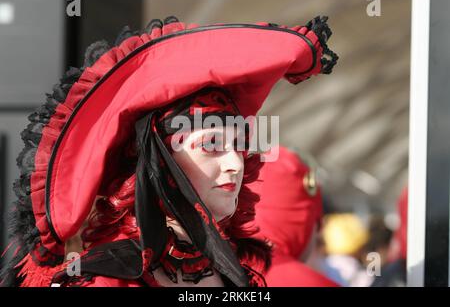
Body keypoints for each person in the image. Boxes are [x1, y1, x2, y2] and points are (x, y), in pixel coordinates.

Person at [0, 16, 337, 287]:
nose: (235, 163)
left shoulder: (237, 275)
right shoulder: (100, 280)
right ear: (161, 161)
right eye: (211, 146)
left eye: (239, 146)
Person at [248, 145, 338, 287]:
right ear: (305, 219)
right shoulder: (314, 283)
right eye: (318, 223)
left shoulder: (206, 268)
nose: (318, 235)